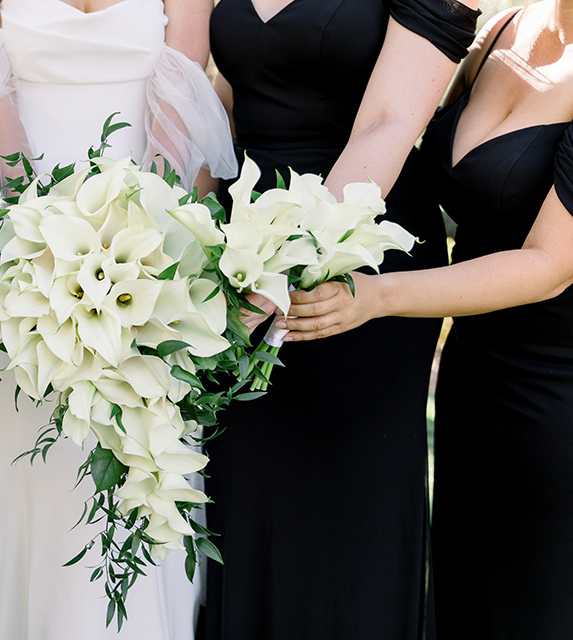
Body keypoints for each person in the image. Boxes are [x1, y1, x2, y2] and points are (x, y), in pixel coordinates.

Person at [0, 1, 236, 638]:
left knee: (144, 444)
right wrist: (43, 237)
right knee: (20, 455)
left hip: (151, 240)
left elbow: (182, 86)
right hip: (14, 244)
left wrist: (138, 231)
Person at [274, 3, 573, 635]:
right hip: (472, 380)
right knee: (461, 602)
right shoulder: (501, 29)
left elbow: (550, 264)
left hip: (555, 400)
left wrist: (377, 296)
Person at [201, 0, 480, 637]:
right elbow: (232, 90)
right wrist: (191, 233)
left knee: (345, 520)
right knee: (247, 503)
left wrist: (284, 265)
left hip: (351, 259)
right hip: (238, 258)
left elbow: (387, 123)